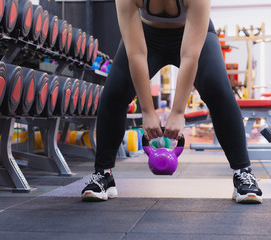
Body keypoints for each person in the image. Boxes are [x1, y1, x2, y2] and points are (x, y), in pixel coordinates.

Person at [81, 0, 263, 203]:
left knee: (218, 89)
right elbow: (136, 54)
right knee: (115, 92)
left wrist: (178, 112)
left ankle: (243, 172)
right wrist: (148, 111)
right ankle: (103, 174)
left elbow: (190, 56)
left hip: (191, 33)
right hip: (146, 36)